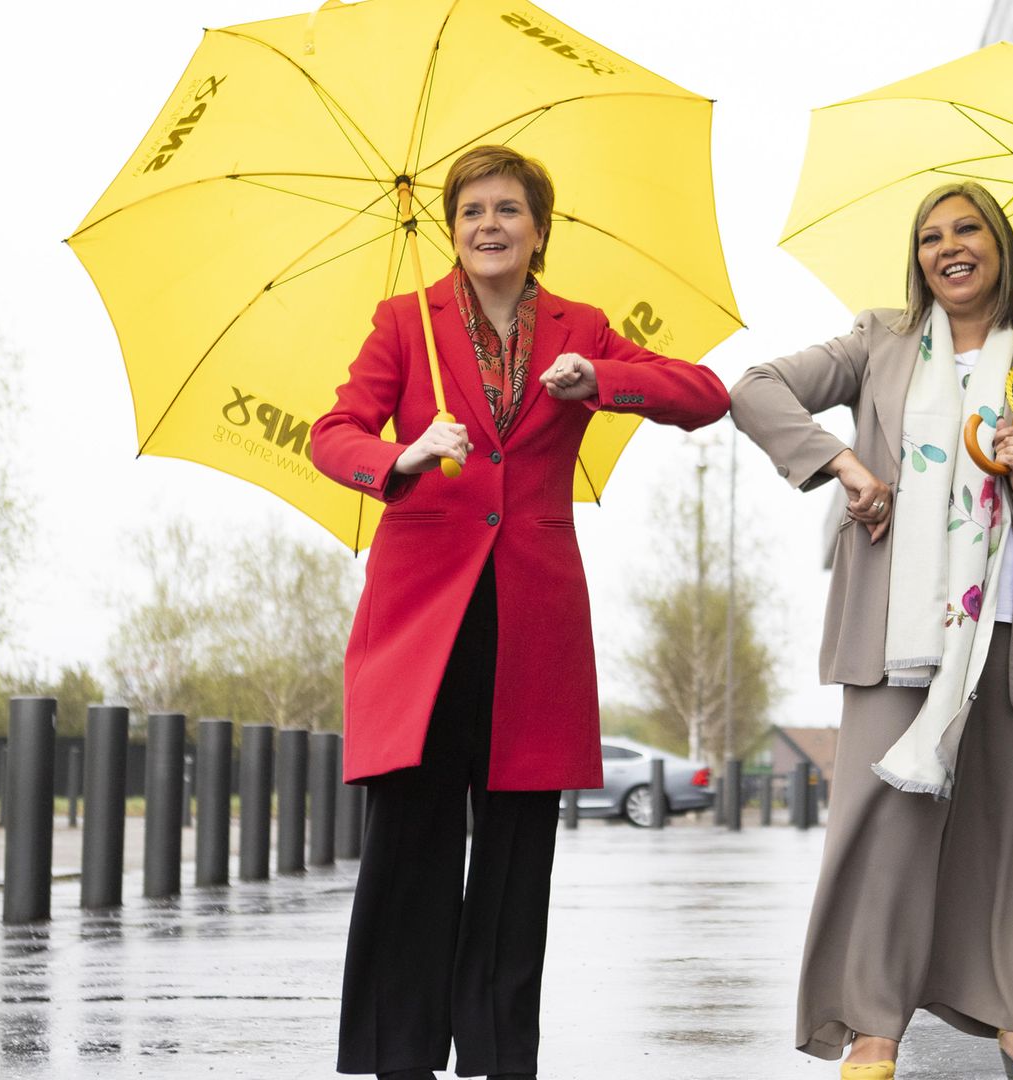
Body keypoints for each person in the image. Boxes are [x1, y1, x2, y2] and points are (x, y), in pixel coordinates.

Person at [310, 145, 731, 1080]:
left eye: (507, 209)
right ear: (451, 231)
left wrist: (605, 382)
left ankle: (502, 1056)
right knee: (411, 842)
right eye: (470, 212)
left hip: (533, 615)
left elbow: (705, 396)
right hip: (424, 615)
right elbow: (330, 435)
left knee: (514, 850)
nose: (487, 225)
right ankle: (400, 1054)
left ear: (540, 230)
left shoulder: (581, 328)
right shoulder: (403, 322)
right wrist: (403, 456)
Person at [732, 180, 1013, 1080]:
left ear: (1001, 245)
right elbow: (756, 390)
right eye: (930, 236)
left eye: (967, 230)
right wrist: (844, 465)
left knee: (1010, 828)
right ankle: (873, 1022)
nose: (948, 248)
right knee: (883, 825)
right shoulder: (878, 344)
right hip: (895, 627)